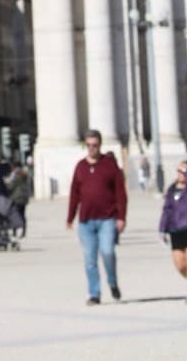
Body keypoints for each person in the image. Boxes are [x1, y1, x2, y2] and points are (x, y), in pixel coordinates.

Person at [66, 130, 127, 306]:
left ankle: (112, 282)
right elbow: (74, 194)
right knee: (90, 260)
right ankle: (94, 293)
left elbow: (120, 193)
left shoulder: (109, 165)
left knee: (107, 252)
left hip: (107, 218)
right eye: (89, 145)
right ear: (85, 145)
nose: (92, 148)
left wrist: (121, 217)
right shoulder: (80, 166)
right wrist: (70, 217)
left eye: (95, 145)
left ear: (100, 145)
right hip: (86, 221)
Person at [159, 160, 187, 303]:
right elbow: (166, 210)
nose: (180, 173)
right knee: (179, 264)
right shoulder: (172, 189)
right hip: (176, 229)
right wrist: (162, 228)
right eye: (178, 170)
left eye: (183, 171)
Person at [5, 161, 30, 237]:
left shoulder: (16, 175)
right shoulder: (24, 175)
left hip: (17, 197)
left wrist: (6, 182)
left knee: (14, 215)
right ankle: (24, 231)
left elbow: (11, 187)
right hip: (24, 198)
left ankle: (14, 232)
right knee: (22, 214)